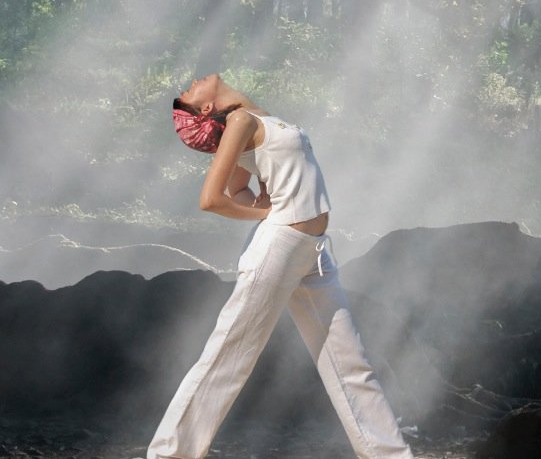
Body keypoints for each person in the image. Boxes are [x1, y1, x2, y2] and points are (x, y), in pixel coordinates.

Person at [148, 73, 411, 459]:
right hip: (279, 246)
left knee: (350, 363)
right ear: (206, 108)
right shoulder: (239, 122)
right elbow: (212, 198)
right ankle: (169, 455)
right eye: (189, 92)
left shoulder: (258, 118)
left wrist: (260, 202)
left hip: (313, 251)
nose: (192, 82)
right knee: (228, 356)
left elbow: (242, 186)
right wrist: (268, 211)